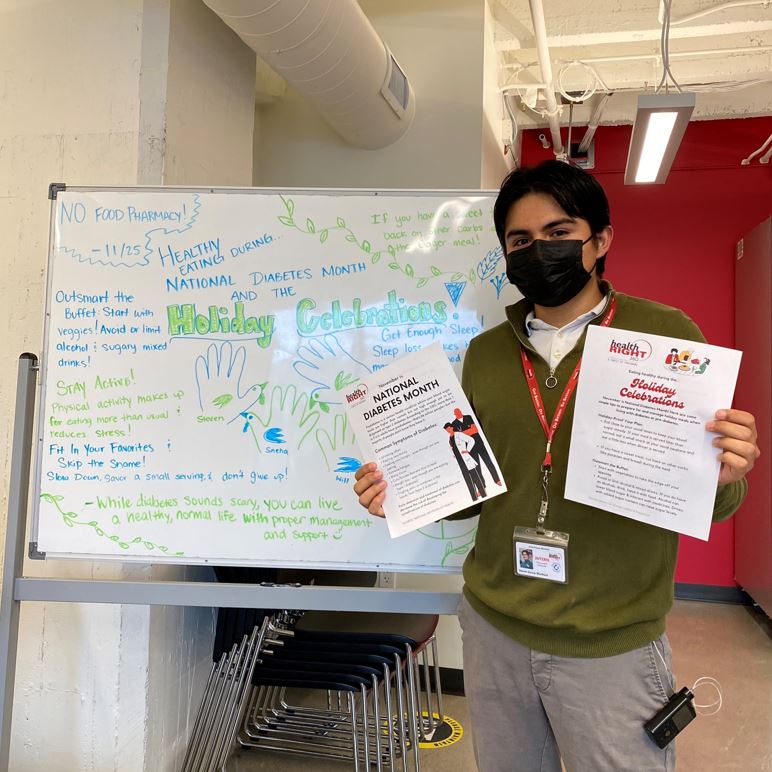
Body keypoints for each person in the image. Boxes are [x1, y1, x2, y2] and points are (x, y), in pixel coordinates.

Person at [354, 160, 760, 772]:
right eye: (520, 241)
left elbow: (711, 499)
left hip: (609, 644)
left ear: (601, 241)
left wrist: (725, 475)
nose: (538, 250)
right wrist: (405, 488)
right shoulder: (487, 353)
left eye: (559, 232)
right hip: (495, 630)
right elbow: (479, 489)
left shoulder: (665, 336)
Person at [450, 406, 503, 486]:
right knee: (476, 467)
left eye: (459, 411)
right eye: (456, 413)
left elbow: (475, 430)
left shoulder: (468, 417)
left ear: (461, 411)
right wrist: (468, 432)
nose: (458, 413)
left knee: (488, 461)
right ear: (455, 414)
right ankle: (482, 486)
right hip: (468, 447)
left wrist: (463, 433)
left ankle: (497, 479)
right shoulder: (454, 424)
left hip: (479, 443)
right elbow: (458, 437)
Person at [445, 422, 486, 501]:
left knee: (475, 477)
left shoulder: (459, 434)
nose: (447, 430)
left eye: (448, 429)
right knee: (468, 480)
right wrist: (454, 455)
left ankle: (483, 494)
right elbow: (451, 448)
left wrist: (467, 450)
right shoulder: (449, 439)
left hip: (466, 459)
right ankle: (474, 498)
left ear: (451, 427)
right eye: (446, 430)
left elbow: (471, 440)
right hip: (460, 462)